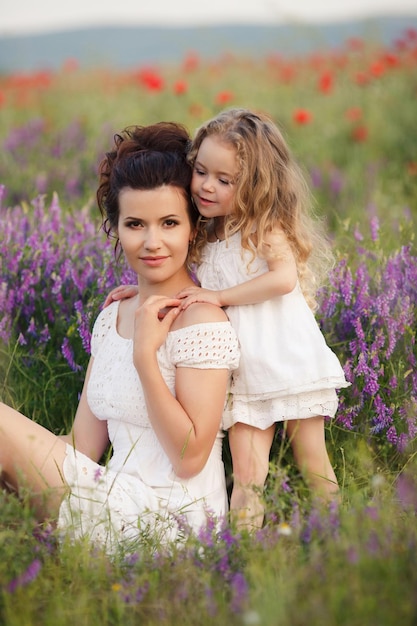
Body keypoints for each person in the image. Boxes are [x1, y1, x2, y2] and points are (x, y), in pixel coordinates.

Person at [105, 109, 350, 531]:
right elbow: (187, 278)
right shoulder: (209, 230)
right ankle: (242, 558)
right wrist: (144, 291)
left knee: (313, 461)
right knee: (248, 476)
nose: (206, 185)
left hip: (285, 358)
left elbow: (283, 278)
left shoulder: (261, 227)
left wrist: (219, 296)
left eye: (225, 179)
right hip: (242, 372)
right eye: (201, 171)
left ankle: (345, 544)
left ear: (254, 185)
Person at [0, 121, 240, 553]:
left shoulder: (202, 320)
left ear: (192, 228)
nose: (152, 242)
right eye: (135, 224)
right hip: (109, 495)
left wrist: (146, 357)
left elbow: (190, 459)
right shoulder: (112, 316)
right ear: (116, 228)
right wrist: (15, 465)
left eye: (169, 222)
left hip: (171, 525)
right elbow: (81, 448)